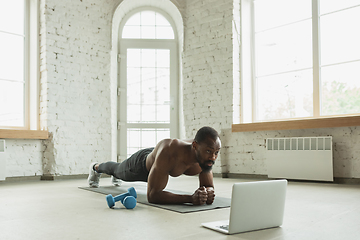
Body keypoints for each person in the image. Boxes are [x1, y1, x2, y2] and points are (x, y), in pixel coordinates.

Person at [87, 126, 221, 205]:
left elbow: (208, 187)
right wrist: (190, 199)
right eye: (209, 151)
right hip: (142, 165)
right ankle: (96, 167)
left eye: (216, 152)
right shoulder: (170, 152)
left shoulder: (205, 158)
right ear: (195, 146)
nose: (213, 157)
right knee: (117, 169)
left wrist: (208, 193)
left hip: (159, 159)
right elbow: (152, 195)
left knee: (119, 171)